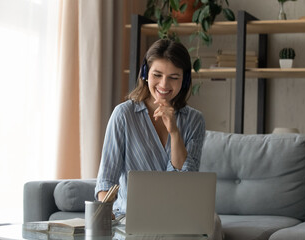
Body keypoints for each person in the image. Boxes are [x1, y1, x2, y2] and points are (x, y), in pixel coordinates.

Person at [94, 39, 222, 239]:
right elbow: (106, 180)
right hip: (129, 217)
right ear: (145, 74)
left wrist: (174, 132)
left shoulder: (195, 120)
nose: (164, 84)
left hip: (179, 215)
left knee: (212, 224)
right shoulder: (123, 114)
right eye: (157, 75)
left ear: (185, 80)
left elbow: (184, 180)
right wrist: (105, 212)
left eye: (173, 77)